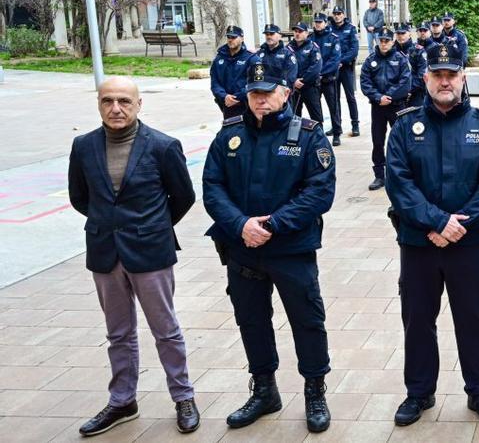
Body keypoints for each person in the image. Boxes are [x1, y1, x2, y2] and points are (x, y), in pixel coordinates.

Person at [202, 60, 336, 433]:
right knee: (251, 320)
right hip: (242, 247)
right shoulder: (229, 134)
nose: (260, 100)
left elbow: (319, 192)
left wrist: (273, 225)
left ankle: (314, 390)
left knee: (307, 321)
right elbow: (212, 186)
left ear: (285, 92)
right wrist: (241, 224)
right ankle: (264, 390)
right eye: (253, 94)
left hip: (291, 249)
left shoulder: (309, 136)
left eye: (267, 93)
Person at [68, 77, 199, 436]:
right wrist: (109, 226)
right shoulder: (83, 146)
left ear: (139, 104)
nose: (116, 108)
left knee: (166, 330)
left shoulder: (162, 146)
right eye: (108, 100)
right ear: (98, 104)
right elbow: (80, 197)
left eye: (124, 101)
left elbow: (183, 197)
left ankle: (183, 396)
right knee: (118, 333)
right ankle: (123, 400)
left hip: (151, 253)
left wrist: (151, 227)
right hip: (104, 252)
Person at [385, 43, 479, 428]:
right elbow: (399, 185)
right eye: (437, 74)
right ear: (426, 79)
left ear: (463, 78)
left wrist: (458, 226)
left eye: (451, 74)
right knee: (418, 319)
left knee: (473, 319)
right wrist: (437, 223)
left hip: (468, 244)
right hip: (419, 244)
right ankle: (419, 391)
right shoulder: (403, 127)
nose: (444, 81)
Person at [360, 27, 413, 191]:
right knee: (377, 141)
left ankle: (401, 175)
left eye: (387, 41)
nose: (383, 44)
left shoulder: (401, 59)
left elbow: (405, 82)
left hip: (396, 106)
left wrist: (388, 96)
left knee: (400, 141)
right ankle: (379, 175)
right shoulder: (370, 60)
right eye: (381, 40)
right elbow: (365, 82)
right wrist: (378, 97)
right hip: (378, 108)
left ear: (392, 42)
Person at [312, 13, 343, 145]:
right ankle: (318, 134)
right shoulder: (310, 38)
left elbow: (335, 60)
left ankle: (336, 133)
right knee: (315, 109)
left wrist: (321, 72)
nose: (317, 24)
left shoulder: (333, 38)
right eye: (316, 22)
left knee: (333, 107)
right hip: (314, 80)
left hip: (328, 79)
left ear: (325, 23)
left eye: (320, 22)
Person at [210, 25, 254, 119]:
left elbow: (256, 83)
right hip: (226, 105)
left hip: (246, 105)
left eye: (234, 37)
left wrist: (237, 97)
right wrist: (224, 96)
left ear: (242, 38)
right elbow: (215, 82)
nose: (230, 40)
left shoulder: (252, 59)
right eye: (228, 37)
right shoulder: (219, 59)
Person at [330, 6, 361, 138]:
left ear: (343, 15)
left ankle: (355, 125)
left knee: (350, 98)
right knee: (334, 99)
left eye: (339, 13)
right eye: (335, 14)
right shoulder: (329, 28)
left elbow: (354, 49)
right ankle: (337, 126)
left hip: (346, 68)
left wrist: (341, 61)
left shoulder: (351, 28)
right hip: (333, 70)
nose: (337, 16)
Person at [289, 22, 324, 125]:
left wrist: (302, 80)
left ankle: (318, 139)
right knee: (294, 117)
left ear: (307, 33)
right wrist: (294, 80)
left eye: (300, 31)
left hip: (310, 87)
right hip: (294, 87)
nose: (297, 34)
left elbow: (315, 67)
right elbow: (285, 68)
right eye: (295, 31)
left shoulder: (313, 47)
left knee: (316, 117)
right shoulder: (288, 48)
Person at [250, 24, 297, 90]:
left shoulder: (287, 54)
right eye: (267, 34)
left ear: (280, 36)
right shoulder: (260, 53)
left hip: (279, 93)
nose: (268, 37)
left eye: (271, 34)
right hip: (262, 92)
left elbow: (290, 77)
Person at [395, 22, 429, 108]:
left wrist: (408, 89)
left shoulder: (418, 51)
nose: (400, 35)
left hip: (415, 92)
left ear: (409, 34)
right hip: (395, 93)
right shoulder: (391, 51)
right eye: (398, 33)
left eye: (403, 33)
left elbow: (422, 74)